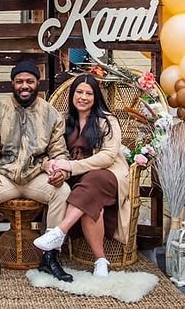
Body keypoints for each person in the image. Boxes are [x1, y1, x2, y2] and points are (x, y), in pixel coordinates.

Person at [0, 60, 73, 285]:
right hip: (5, 175)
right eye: (19, 81)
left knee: (63, 191)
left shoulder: (51, 114)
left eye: (30, 81)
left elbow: (59, 150)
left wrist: (61, 171)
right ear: (13, 83)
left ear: (38, 83)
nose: (24, 86)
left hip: (36, 175)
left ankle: (50, 256)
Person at [33, 74, 130, 277]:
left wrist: (70, 165)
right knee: (91, 205)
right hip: (78, 181)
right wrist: (49, 164)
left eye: (89, 93)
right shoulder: (62, 120)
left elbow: (107, 157)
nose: (83, 97)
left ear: (96, 97)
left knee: (94, 179)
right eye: (79, 92)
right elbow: (44, 149)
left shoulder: (107, 121)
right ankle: (101, 260)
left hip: (107, 175)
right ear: (72, 95)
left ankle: (59, 231)